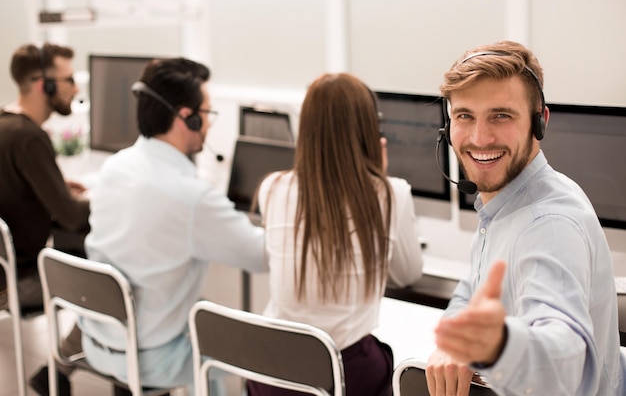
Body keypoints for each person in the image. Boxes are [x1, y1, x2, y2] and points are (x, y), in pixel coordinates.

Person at [425, 40, 626, 395]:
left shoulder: (548, 224)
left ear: (539, 122)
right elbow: (472, 291)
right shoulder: (501, 206)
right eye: (464, 116)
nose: (479, 137)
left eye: (501, 115)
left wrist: (498, 346)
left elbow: (564, 355)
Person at [78, 57, 266, 394]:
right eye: (207, 114)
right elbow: (258, 256)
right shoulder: (191, 198)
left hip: (96, 341)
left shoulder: (114, 168)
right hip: (150, 360)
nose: (208, 124)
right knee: (226, 342)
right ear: (187, 118)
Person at [247, 72, 424, 396]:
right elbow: (408, 274)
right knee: (384, 357)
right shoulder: (391, 194)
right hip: (342, 376)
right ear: (370, 130)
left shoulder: (272, 187)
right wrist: (379, 180)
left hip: (270, 373)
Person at [0, 42, 90, 395]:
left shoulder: (6, 125)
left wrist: (54, 184)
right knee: (116, 282)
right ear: (44, 85)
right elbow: (69, 216)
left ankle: (58, 370)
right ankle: (60, 369)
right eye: (68, 80)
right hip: (19, 282)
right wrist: (110, 198)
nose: (76, 88)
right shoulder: (30, 138)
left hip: (3, 271)